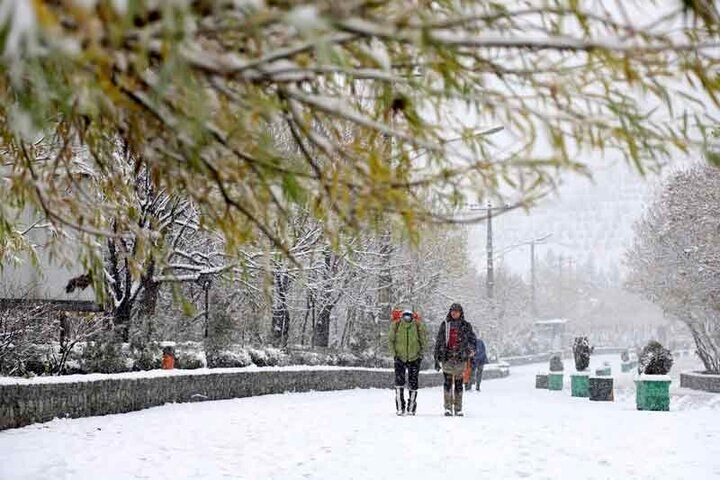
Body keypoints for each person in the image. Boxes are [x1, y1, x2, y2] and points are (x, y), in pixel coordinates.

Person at [434, 303, 476, 416]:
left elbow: (472, 340)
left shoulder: (466, 326)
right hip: (447, 358)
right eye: (453, 311)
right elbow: (439, 341)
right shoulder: (445, 325)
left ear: (460, 313)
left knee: (458, 384)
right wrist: (436, 357)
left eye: (457, 311)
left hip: (460, 358)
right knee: (447, 383)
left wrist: (471, 350)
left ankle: (458, 408)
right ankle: (447, 407)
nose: (454, 313)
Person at [388, 309, 428, 416]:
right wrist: (394, 354)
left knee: (413, 383)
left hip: (414, 358)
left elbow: (423, 340)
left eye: (409, 316)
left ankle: (411, 407)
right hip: (400, 358)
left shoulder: (417, 326)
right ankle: (400, 407)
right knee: (399, 383)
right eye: (405, 316)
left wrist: (420, 354)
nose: (407, 318)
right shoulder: (396, 325)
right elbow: (390, 340)